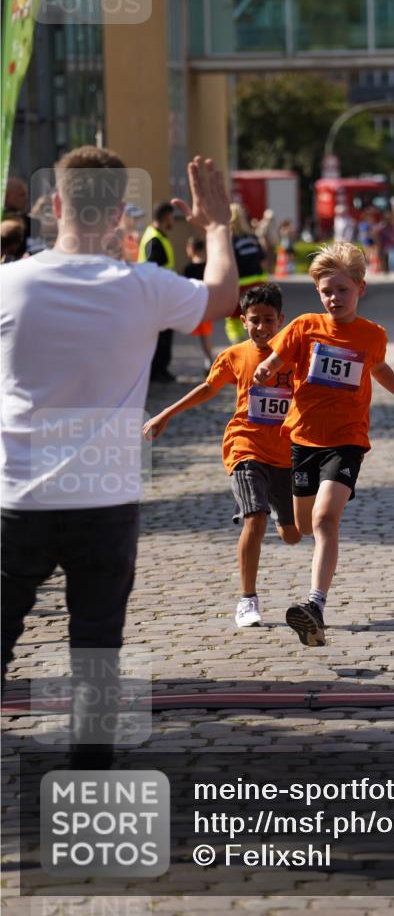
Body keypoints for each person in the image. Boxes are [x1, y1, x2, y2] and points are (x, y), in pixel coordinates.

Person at [0, 149, 238, 766]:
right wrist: (215, 228)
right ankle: (89, 781)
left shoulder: (9, 283)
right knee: (97, 650)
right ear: (118, 214)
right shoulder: (143, 287)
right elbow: (221, 297)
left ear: (57, 206)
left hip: (17, 498)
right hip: (104, 501)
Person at [253, 243, 394, 648]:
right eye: (326, 291)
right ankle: (312, 593)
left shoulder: (372, 335)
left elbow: (380, 367)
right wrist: (267, 368)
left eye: (342, 290)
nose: (334, 298)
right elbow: (276, 359)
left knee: (324, 520)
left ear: (361, 289)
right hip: (303, 438)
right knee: (303, 527)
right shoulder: (304, 326)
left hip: (348, 440)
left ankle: (315, 606)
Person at [143, 283, 301, 628]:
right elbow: (207, 388)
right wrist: (166, 413)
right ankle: (248, 600)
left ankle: (278, 512)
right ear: (244, 321)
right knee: (254, 518)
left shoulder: (295, 354)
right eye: (255, 320)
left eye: (269, 320)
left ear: (281, 321)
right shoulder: (235, 356)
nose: (262, 328)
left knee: (293, 534)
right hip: (245, 446)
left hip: (286, 453)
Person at [138, 201, 178, 382]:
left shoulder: (157, 236)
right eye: (172, 218)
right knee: (161, 335)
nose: (174, 222)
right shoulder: (154, 239)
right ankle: (158, 371)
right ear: (165, 217)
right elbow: (152, 269)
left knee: (163, 334)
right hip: (157, 296)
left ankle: (160, 370)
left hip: (161, 294)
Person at [226, 202, 267, 345]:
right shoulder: (252, 237)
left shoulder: (229, 240)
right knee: (256, 317)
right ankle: (257, 345)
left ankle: (238, 348)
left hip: (239, 285)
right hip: (258, 283)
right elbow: (263, 261)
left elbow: (227, 265)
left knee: (233, 321)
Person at [183, 235, 215, 371]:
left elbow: (185, 287)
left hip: (197, 304)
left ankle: (210, 361)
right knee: (204, 334)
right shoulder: (207, 266)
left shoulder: (189, 268)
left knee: (204, 334)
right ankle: (208, 360)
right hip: (206, 302)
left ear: (191, 249)